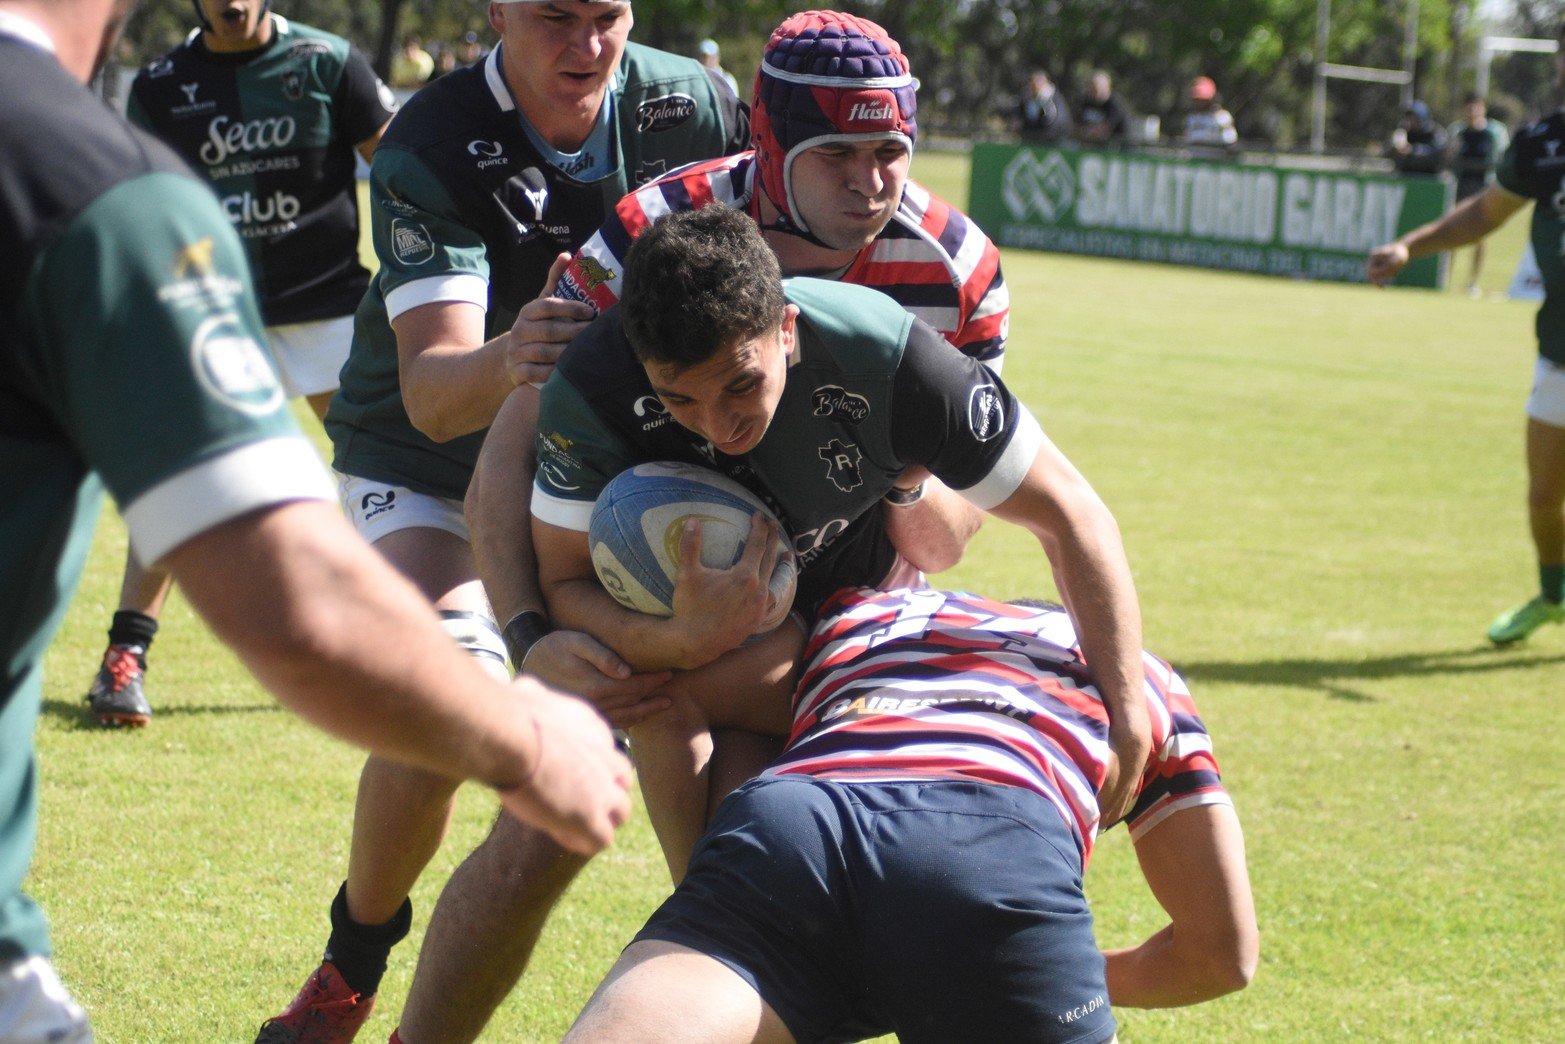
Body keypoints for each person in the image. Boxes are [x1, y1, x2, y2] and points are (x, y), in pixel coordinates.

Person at [0, 1, 631, 1039]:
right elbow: (299, 598)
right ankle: (134, 651)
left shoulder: (319, 76)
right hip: (283, 343)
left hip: (332, 315)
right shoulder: (90, 189)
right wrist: (523, 743)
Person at [258, 2, 750, 1040]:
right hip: (427, 472)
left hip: (596, 485)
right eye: (553, 18)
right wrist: (518, 351)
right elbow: (435, 392)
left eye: (606, 16)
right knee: (457, 696)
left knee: (604, 761)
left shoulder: (692, 104)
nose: (586, 47)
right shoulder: (432, 142)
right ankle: (352, 958)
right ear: (495, 13)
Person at [532, 203, 1152, 882]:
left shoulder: (880, 354)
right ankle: (702, 908)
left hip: (865, 630)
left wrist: (1126, 716)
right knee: (658, 713)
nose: (717, 424)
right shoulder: (594, 388)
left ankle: (724, 918)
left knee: (805, 856)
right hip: (724, 655)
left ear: (786, 328)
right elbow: (563, 585)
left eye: (742, 384)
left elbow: (1072, 515)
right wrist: (682, 637)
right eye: (680, 401)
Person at [564, 586, 1258, 1043]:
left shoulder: (863, 616)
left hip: (794, 820)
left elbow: (672, 704)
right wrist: (986, 974)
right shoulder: (1137, 676)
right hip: (987, 847)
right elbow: (1221, 956)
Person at [83, 0, 397, 729]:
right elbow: (138, 203)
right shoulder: (162, 83)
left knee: (386, 474)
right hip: (215, 313)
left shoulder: (325, 62)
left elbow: (404, 168)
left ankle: (422, 648)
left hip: (325, 310)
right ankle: (123, 662)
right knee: (179, 482)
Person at [1367, 24, 1565, 646]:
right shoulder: (1542, 143)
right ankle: (1555, 597)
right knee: (1543, 497)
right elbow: (1484, 214)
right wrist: (1411, 245)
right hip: (1560, 347)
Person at [1447, 92, 1509, 294]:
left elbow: (1503, 160)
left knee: (1481, 236)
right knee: (1451, 232)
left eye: (1476, 106)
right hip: (1460, 188)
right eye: (1468, 106)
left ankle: (1472, 282)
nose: (1472, 110)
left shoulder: (1495, 132)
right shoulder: (1457, 132)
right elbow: (1448, 159)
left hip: (1483, 189)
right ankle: (1445, 278)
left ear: (1483, 108)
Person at [1387, 100, 1446, 176]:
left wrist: (1412, 150)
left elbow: (1437, 154)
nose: (1411, 121)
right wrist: (1395, 146)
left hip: (1429, 179)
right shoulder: (1405, 132)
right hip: (1407, 178)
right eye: (1409, 117)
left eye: (1414, 117)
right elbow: (1388, 153)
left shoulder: (1435, 132)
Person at [1017, 67, 1073, 144]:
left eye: (1036, 82)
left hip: (1052, 141)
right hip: (1030, 140)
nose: (1033, 86)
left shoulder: (1054, 99)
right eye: (1031, 83)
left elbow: (1056, 122)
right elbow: (1020, 116)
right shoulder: (1026, 98)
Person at [1180, 75, 1237, 152]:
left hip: (1215, 159)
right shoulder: (1192, 118)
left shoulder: (1222, 117)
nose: (1200, 102)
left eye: (1203, 99)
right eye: (1197, 99)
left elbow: (1230, 142)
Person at [1077, 69, 1129, 145]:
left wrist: (1089, 132)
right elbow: (1077, 123)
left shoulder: (1115, 104)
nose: (1092, 91)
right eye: (1091, 87)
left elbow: (1106, 127)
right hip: (1090, 144)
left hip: (1115, 146)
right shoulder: (1086, 101)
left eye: (1095, 88)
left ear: (1107, 87)